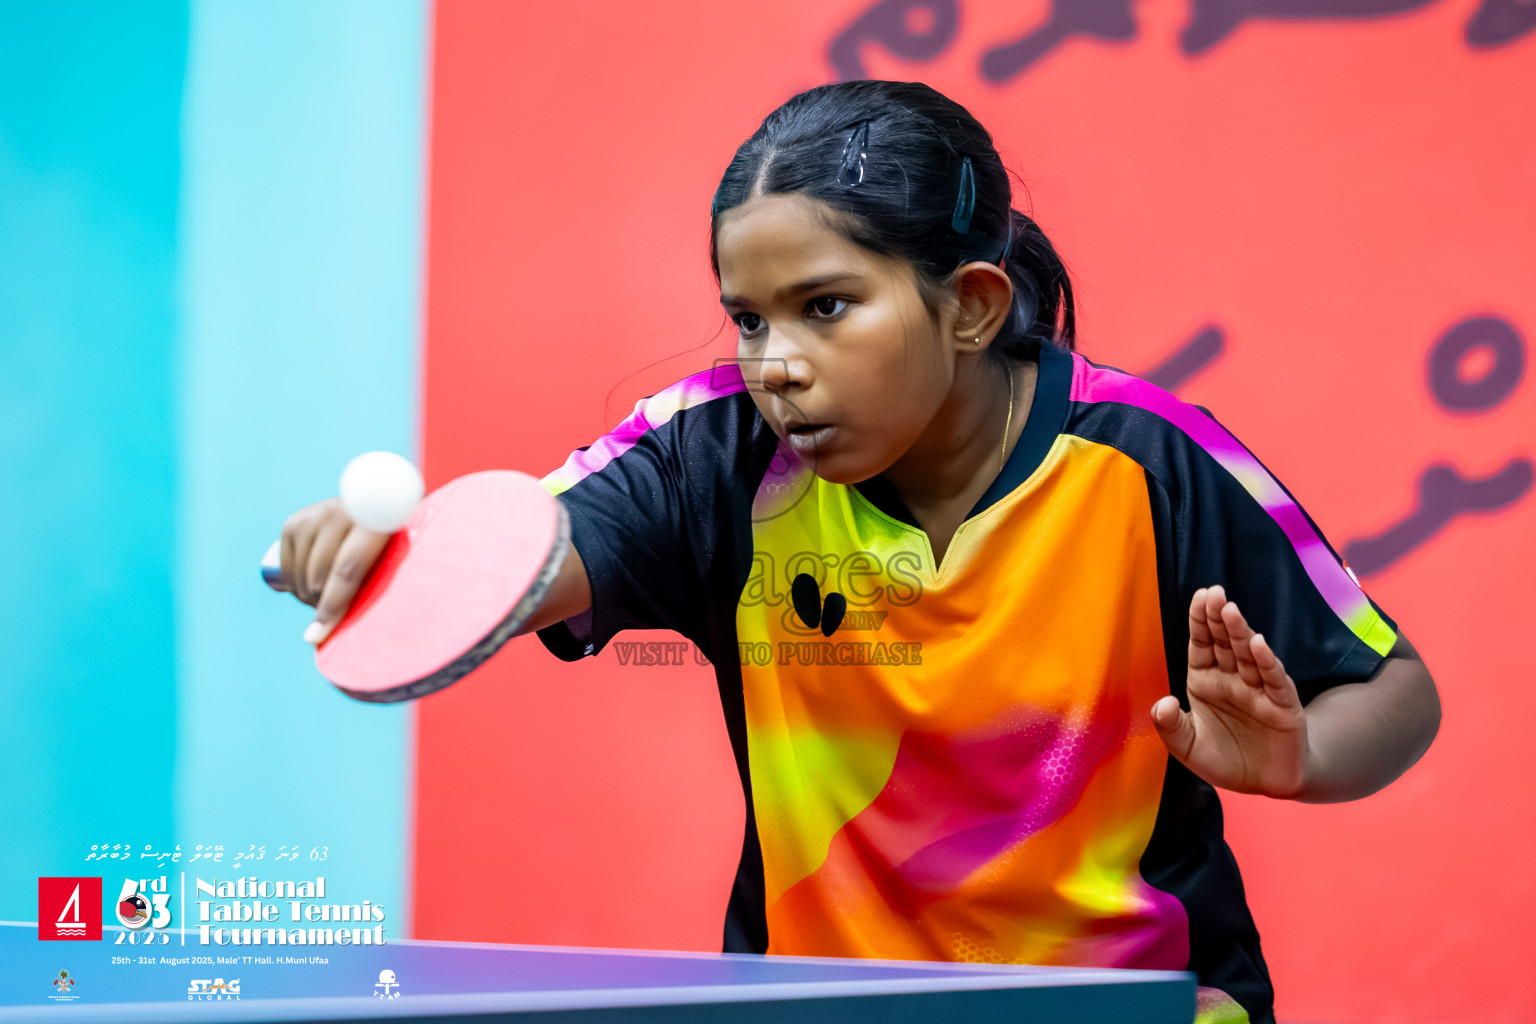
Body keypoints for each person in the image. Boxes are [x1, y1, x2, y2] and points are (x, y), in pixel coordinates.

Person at [277, 80, 1440, 1024]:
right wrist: (386, 563)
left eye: (825, 307)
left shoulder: (1148, 458)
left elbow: (1394, 688)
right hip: (820, 998)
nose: (774, 361)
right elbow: (538, 554)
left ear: (972, 305)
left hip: (1135, 1003)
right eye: (748, 317)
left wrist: (1300, 760)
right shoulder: (717, 452)